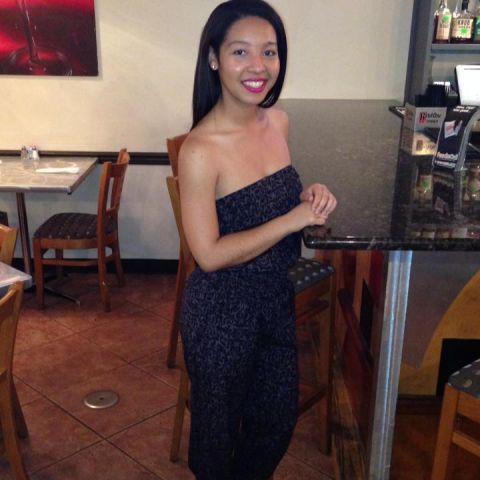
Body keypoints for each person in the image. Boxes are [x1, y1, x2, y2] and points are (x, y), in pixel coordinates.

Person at [178, 1, 337, 479]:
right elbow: (208, 256)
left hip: (274, 298)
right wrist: (292, 220)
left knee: (275, 423)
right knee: (217, 441)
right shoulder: (200, 149)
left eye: (269, 52)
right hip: (221, 313)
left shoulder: (278, 122)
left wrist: (308, 194)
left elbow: (276, 196)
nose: (258, 66)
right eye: (240, 52)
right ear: (214, 58)